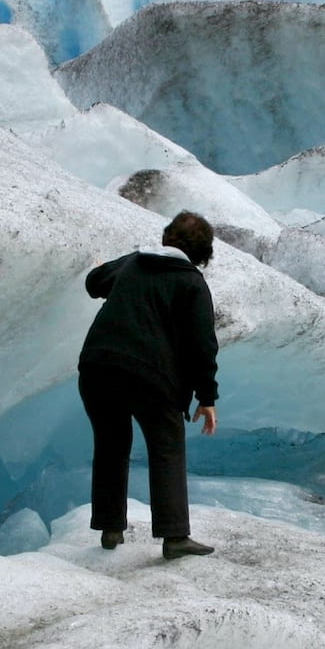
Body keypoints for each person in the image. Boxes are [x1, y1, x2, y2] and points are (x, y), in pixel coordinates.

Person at [78, 211, 219, 559]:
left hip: (97, 364)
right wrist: (206, 397)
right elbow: (202, 345)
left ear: (166, 237)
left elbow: (95, 283)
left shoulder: (133, 262)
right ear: (204, 253)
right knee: (166, 446)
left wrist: (104, 268)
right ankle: (174, 537)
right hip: (150, 375)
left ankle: (110, 530)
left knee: (111, 444)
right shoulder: (191, 282)